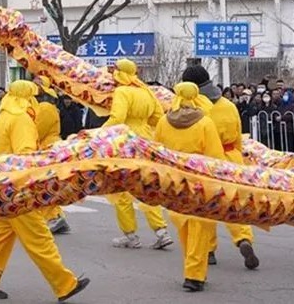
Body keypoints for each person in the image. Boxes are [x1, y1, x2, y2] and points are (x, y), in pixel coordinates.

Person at [0, 80, 90, 301]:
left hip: (2, 184)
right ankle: (64, 284)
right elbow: (25, 155)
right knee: (39, 237)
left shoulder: (5, 114)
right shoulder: (21, 118)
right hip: (18, 188)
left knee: (0, 238)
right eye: (33, 96)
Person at [180, 65, 259, 270]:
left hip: (205, 161)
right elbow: (238, 135)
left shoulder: (193, 110)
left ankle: (208, 249)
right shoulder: (228, 105)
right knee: (234, 203)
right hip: (231, 157)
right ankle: (243, 238)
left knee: (206, 207)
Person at [154, 82, 225, 292]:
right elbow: (215, 156)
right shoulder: (205, 122)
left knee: (183, 228)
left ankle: (191, 268)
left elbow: (157, 152)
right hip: (199, 182)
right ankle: (194, 274)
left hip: (175, 182)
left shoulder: (163, 122)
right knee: (199, 230)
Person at [103, 59, 173, 250]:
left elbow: (117, 117)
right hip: (145, 140)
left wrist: (99, 133)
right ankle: (161, 231)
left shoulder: (122, 91)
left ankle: (130, 235)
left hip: (125, 141)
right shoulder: (146, 91)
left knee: (121, 189)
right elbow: (158, 118)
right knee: (146, 186)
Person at [35, 98, 70, 235]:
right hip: (49, 147)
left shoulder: (45, 107)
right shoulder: (47, 107)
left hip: (47, 148)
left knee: (45, 186)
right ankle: (56, 217)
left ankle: (54, 217)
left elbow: (39, 130)